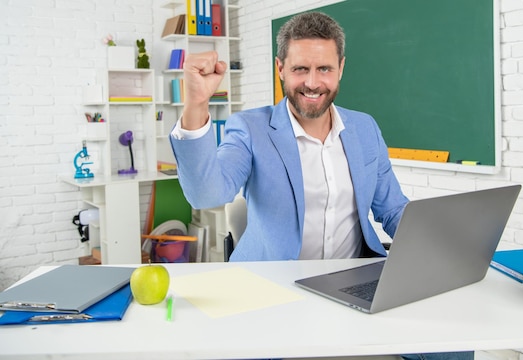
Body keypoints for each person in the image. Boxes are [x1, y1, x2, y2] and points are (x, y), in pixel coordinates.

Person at [170, 11, 472, 360]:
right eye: (300, 69)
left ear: (340, 68)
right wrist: (196, 103)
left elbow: (391, 209)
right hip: (272, 287)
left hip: (356, 282)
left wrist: (442, 241)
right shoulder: (250, 129)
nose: (313, 83)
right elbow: (207, 193)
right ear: (280, 68)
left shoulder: (365, 128)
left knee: (453, 342)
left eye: (324, 69)